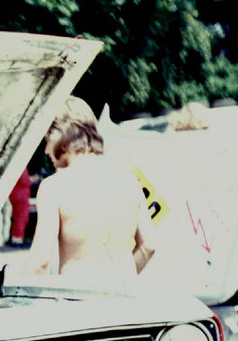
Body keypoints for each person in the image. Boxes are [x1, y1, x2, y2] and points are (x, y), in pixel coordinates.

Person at [24, 97, 156, 280]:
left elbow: (40, 262)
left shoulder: (54, 187)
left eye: (47, 141)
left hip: (78, 300)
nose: (46, 150)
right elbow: (149, 245)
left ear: (59, 135)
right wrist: (122, 282)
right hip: (124, 299)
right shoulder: (130, 181)